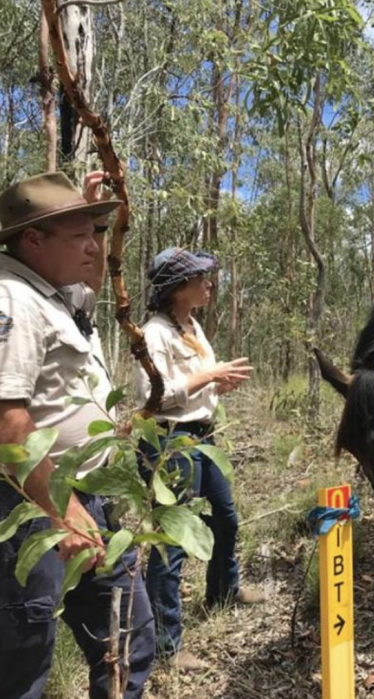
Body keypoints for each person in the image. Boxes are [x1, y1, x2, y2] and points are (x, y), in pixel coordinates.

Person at [0, 171, 155, 698]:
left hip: (88, 499)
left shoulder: (53, 295)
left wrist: (87, 214)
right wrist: (60, 509)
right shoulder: (12, 299)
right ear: (33, 240)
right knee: (23, 663)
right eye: (80, 235)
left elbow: (90, 279)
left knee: (127, 638)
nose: (95, 245)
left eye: (96, 231)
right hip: (33, 504)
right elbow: (7, 421)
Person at [134, 247, 256, 671]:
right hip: (169, 442)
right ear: (177, 286)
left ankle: (225, 589)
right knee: (172, 544)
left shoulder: (191, 326)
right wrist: (210, 375)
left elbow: (197, 387)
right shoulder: (154, 333)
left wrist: (218, 385)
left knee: (225, 518)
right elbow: (154, 397)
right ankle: (167, 646)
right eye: (201, 278)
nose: (209, 284)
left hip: (203, 437)